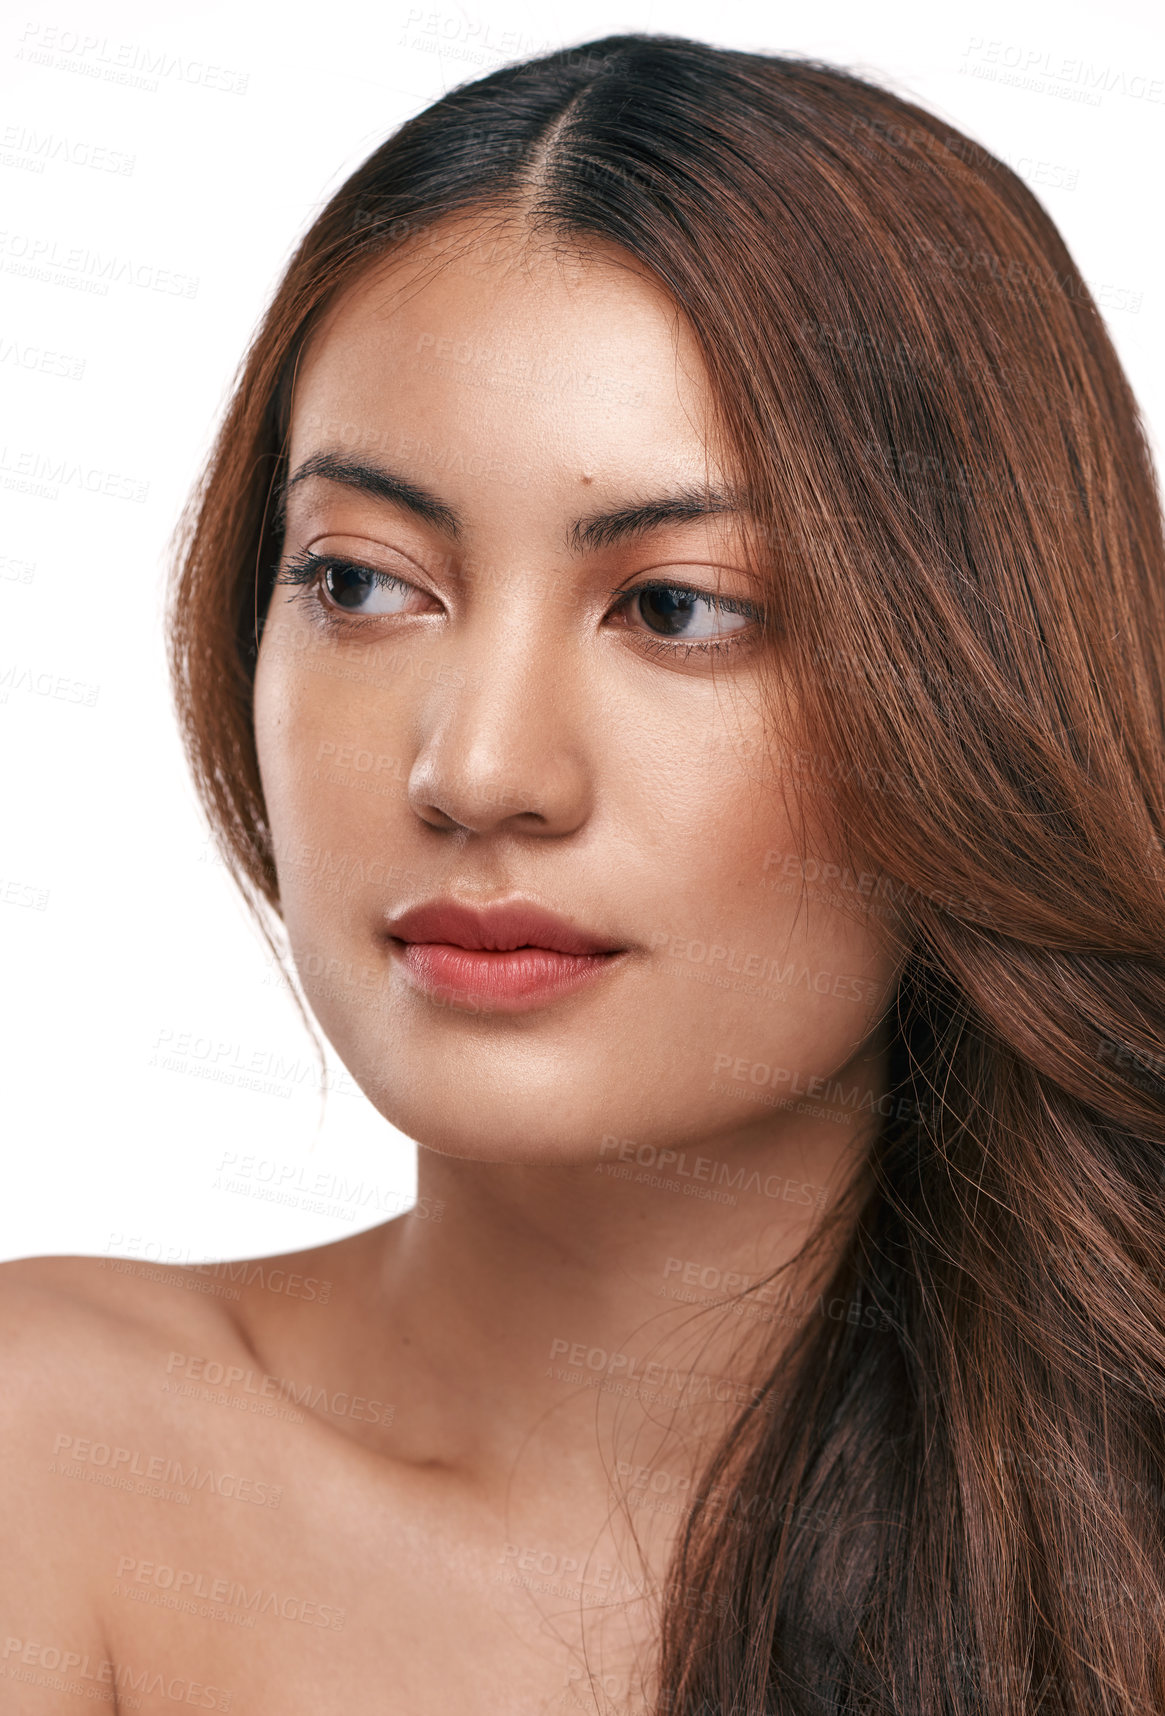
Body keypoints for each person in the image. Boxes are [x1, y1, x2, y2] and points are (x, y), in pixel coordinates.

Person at [4, 31, 1165, 1716]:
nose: (475, 772)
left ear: (978, 688)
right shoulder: (57, 1461)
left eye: (677, 608)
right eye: (361, 583)